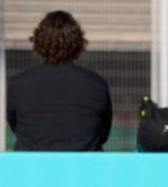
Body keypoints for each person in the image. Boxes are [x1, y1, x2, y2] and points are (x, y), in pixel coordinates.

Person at [7, 11, 112, 151]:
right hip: (84, 163)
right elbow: (103, 133)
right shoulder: (97, 84)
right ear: (78, 43)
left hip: (31, 163)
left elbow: (15, 125)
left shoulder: (19, 84)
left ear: (39, 41)